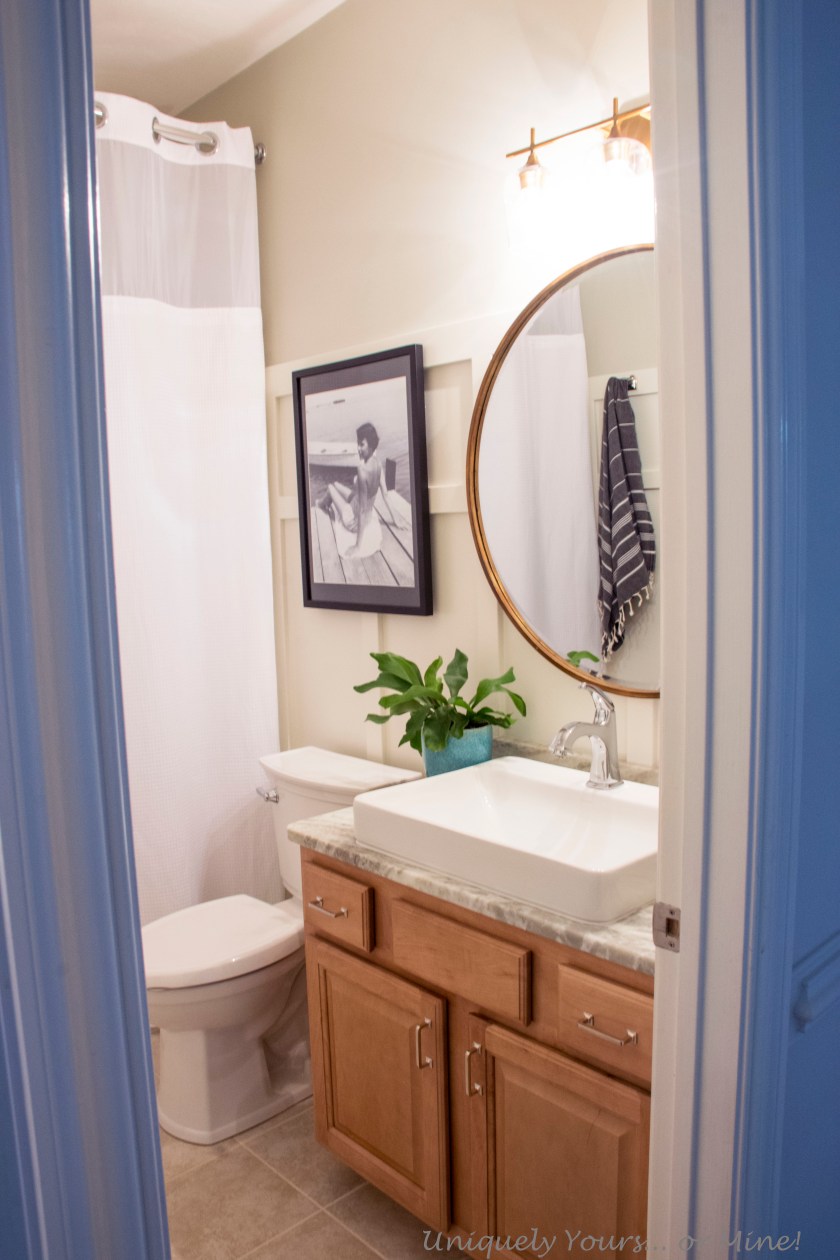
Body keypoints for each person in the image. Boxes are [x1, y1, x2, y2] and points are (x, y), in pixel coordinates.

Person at [317, 422, 396, 559]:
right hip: (365, 514)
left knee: (330, 487)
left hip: (353, 520)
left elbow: (362, 510)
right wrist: (396, 519)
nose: (358, 448)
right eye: (358, 444)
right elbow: (385, 494)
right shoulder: (378, 464)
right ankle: (326, 502)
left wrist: (357, 546)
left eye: (362, 445)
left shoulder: (362, 470)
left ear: (371, 445)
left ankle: (321, 505)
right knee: (336, 484)